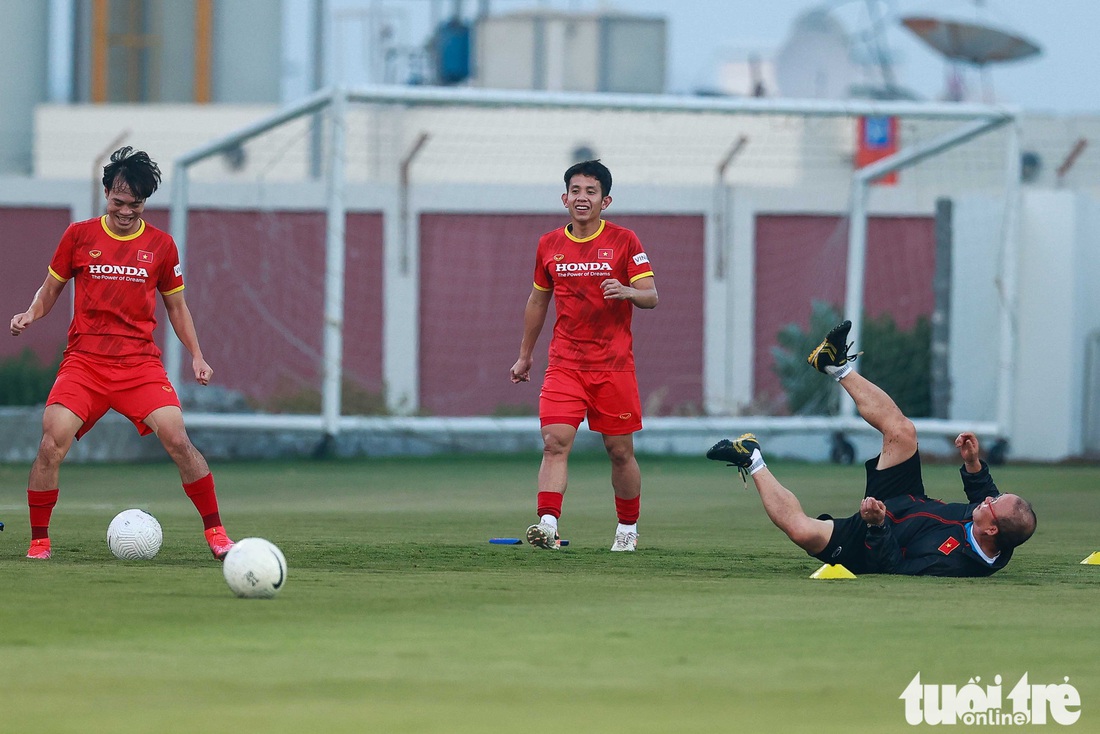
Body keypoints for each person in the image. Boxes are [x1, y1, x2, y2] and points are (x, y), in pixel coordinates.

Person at [9, 146, 234, 561]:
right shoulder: (78, 235)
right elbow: (51, 289)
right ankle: (39, 541)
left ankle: (217, 534)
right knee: (50, 443)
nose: (126, 211)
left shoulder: (162, 246)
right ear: (106, 194)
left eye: (135, 204)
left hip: (139, 366)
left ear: (144, 202)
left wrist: (197, 356)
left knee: (179, 440)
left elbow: (177, 307)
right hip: (85, 364)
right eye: (118, 202)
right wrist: (31, 313)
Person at [706, 320, 1036, 576]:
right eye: (996, 496)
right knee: (903, 431)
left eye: (993, 504)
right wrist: (974, 463)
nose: (988, 499)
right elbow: (984, 493)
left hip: (870, 541)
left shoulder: (956, 566)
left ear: (991, 529)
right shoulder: (994, 528)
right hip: (907, 499)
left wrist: (877, 525)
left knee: (802, 530)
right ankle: (835, 365)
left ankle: (751, 457)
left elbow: (892, 566)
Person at [510, 159, 658, 552]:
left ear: (604, 201)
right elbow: (538, 301)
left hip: (614, 366)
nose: (582, 198)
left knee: (620, 451)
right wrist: (525, 356)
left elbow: (651, 296)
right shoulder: (549, 244)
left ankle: (627, 527)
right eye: (575, 191)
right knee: (554, 442)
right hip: (565, 365)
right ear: (564, 198)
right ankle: (547, 524)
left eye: (590, 192)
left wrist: (628, 292)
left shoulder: (626, 241)